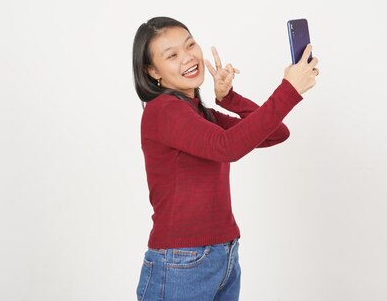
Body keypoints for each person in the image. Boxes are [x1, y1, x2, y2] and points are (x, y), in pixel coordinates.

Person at [132, 16, 319, 301]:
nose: (188, 57)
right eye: (171, 55)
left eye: (190, 44)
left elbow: (276, 133)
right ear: (152, 71)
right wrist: (288, 90)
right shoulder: (162, 111)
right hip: (181, 262)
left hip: (222, 255)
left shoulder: (198, 113)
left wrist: (228, 97)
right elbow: (228, 146)